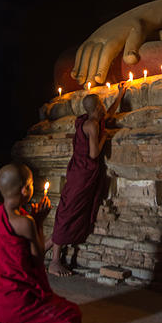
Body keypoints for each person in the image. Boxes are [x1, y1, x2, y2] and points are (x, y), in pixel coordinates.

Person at [0, 163, 81, 323]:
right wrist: (39, 222)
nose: (33, 187)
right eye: (31, 184)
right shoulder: (25, 222)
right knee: (72, 316)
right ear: (25, 190)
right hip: (18, 300)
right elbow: (38, 260)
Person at [47, 82, 127, 276]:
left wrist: (120, 94)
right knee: (68, 212)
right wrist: (104, 137)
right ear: (96, 107)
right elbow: (93, 154)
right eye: (101, 104)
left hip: (79, 172)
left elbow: (109, 113)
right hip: (82, 174)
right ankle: (55, 261)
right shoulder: (91, 125)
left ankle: (39, 251)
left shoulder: (91, 120)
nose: (103, 107)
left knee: (71, 211)